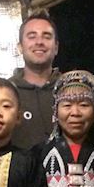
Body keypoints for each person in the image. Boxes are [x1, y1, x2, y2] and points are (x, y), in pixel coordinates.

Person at [10, 9, 61, 149]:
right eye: (32, 36)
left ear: (56, 47)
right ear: (20, 47)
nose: (39, 42)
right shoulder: (5, 92)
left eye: (46, 36)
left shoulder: (70, 90)